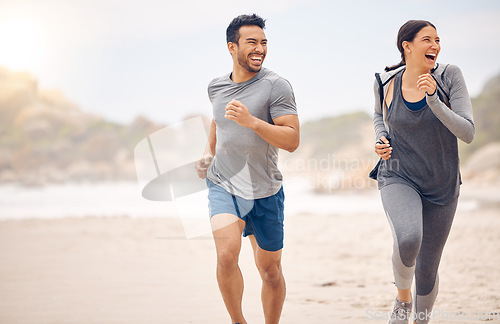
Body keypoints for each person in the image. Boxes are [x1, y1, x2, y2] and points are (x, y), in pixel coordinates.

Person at [195, 14, 299, 324]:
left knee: (270, 270)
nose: (260, 49)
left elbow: (292, 140)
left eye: (263, 43)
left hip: (265, 190)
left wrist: (252, 121)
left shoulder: (276, 86)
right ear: (232, 47)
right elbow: (218, 119)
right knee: (226, 256)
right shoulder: (216, 87)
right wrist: (208, 152)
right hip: (223, 184)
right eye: (252, 42)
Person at [372, 20, 474, 324]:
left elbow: (467, 132)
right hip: (398, 174)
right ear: (408, 46)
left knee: (428, 267)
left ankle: (421, 320)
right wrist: (380, 138)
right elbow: (379, 115)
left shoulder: (449, 77)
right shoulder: (385, 81)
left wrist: (434, 100)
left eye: (438, 40)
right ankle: (402, 301)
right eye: (427, 39)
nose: (435, 46)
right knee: (408, 238)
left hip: (442, 182)